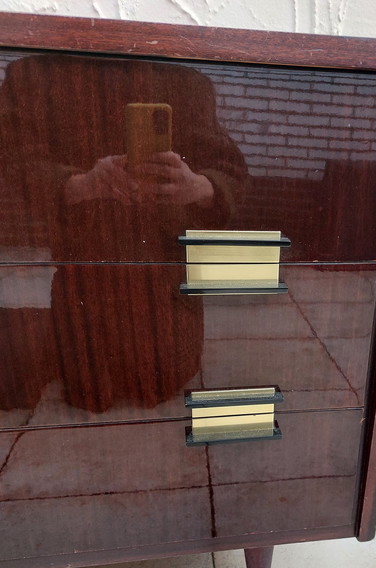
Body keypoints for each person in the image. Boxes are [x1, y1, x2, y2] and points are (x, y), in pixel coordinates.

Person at [0, 52, 247, 413]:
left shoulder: (187, 81)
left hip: (163, 288)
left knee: (163, 376)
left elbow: (229, 168)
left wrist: (199, 187)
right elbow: (15, 159)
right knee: (87, 386)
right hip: (87, 286)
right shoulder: (35, 74)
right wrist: (81, 184)